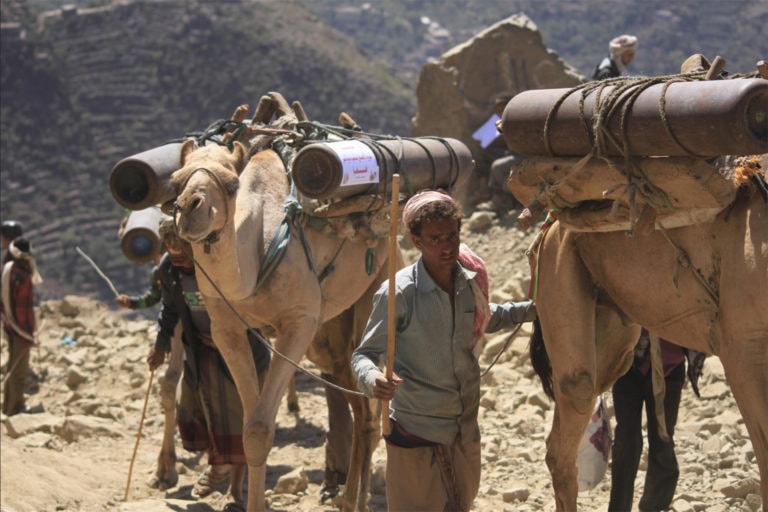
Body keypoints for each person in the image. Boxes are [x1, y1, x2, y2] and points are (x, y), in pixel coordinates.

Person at [351, 190, 537, 511]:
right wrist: (373, 380)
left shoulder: (469, 281)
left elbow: (487, 318)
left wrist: (536, 309)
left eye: (452, 235)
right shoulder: (398, 293)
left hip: (463, 429)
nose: (447, 246)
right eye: (436, 238)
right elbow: (363, 354)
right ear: (415, 239)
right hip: (416, 431)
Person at [147, 219, 270, 506]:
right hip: (202, 351)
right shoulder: (168, 268)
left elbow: (250, 304)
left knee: (241, 419)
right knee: (196, 410)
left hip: (241, 351)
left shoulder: (219, 264)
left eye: (182, 251)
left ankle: (236, 491)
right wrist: (160, 346)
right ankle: (218, 465)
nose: (178, 256)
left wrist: (231, 333)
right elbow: (170, 308)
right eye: (171, 250)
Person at [608, 330, 687, 512]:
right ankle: (619, 508)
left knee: (662, 440)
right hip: (628, 365)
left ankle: (654, 506)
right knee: (625, 441)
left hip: (669, 367)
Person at [1, 237, 41, 416]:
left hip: (9, 326)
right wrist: (28, 335)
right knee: (19, 372)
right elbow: (23, 309)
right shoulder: (22, 276)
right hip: (19, 330)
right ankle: (15, 409)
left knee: (12, 367)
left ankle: (7, 406)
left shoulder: (7, 270)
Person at [472, 93, 523, 214]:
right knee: (481, 155)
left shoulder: (517, 119)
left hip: (521, 155)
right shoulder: (499, 120)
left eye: (503, 109)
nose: (501, 112)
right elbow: (479, 140)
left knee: (497, 166)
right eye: (499, 110)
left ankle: (497, 200)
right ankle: (483, 191)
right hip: (508, 153)